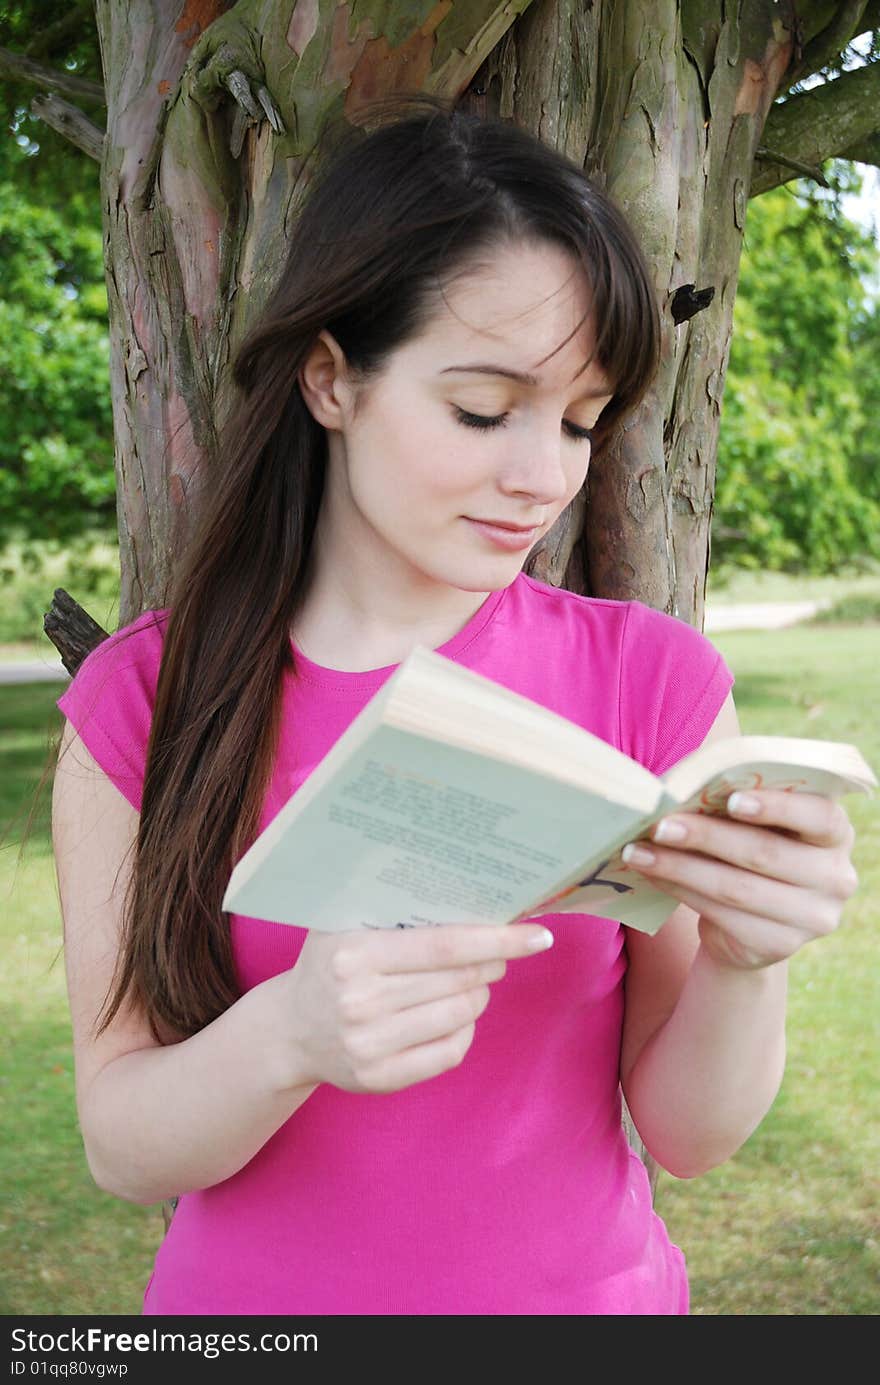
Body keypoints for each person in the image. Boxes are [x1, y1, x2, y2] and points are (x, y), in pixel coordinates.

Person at [51, 97, 858, 1317]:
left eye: (581, 420)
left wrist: (748, 962)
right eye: (483, 409)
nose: (541, 474)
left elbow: (690, 1136)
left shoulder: (654, 680)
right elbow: (122, 1142)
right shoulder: (150, 698)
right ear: (332, 378)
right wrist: (294, 1038)